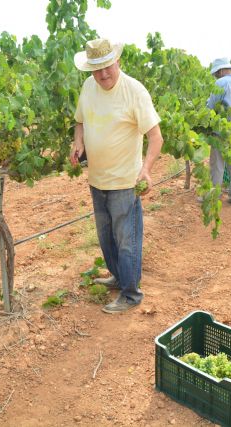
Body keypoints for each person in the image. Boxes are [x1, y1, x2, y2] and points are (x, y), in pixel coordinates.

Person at [70, 38, 163, 313]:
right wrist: (79, 142)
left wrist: (145, 170)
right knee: (106, 237)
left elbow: (156, 138)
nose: (103, 75)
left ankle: (131, 294)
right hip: (96, 180)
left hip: (125, 182)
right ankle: (118, 276)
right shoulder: (88, 87)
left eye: (107, 67)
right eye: (96, 69)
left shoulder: (134, 91)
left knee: (127, 240)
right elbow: (80, 121)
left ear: (117, 62)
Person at [207, 58, 231, 205]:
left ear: (221, 70)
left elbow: (210, 107)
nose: (216, 76)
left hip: (222, 131)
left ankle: (213, 196)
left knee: (217, 164)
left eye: (216, 73)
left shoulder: (220, 83)